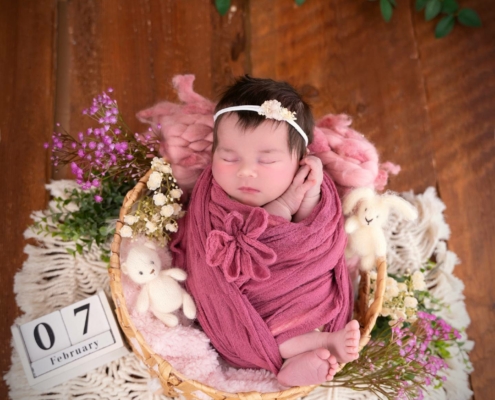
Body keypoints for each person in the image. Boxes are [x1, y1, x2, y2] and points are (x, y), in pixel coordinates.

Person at [171, 76, 359, 387]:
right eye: (229, 157)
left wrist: (309, 193)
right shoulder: (210, 200)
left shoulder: (306, 185)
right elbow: (229, 243)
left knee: (311, 312)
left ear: (300, 161)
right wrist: (282, 205)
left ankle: (319, 345)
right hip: (242, 312)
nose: (246, 171)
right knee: (277, 330)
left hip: (297, 288)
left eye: (267, 159)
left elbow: (315, 232)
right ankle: (311, 350)